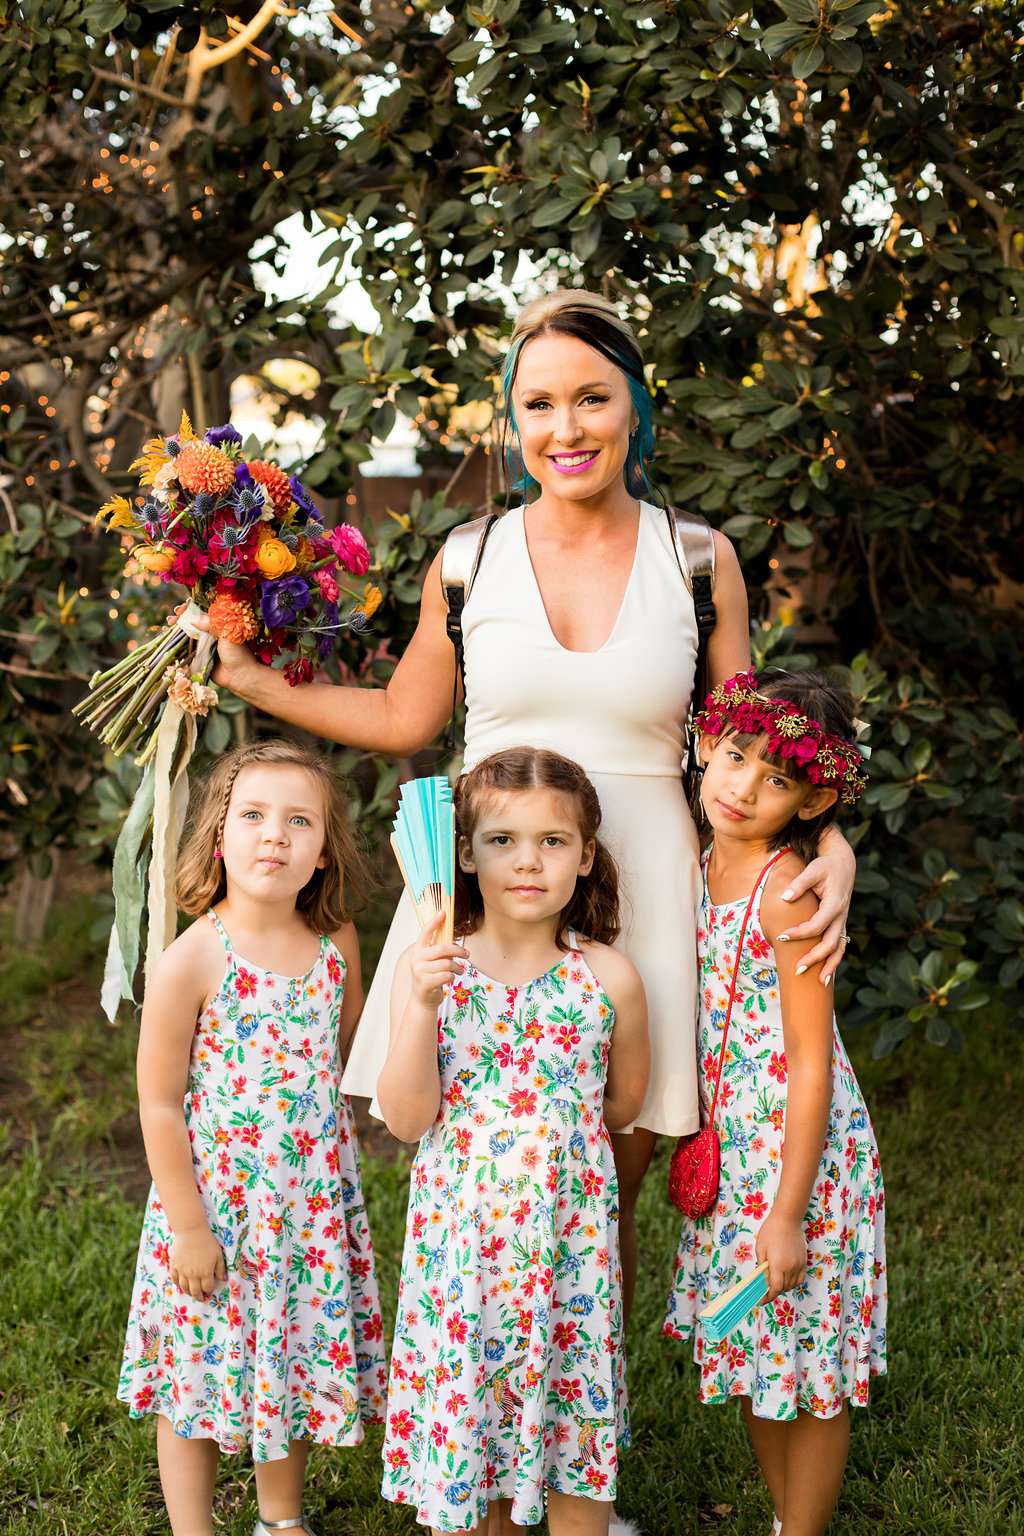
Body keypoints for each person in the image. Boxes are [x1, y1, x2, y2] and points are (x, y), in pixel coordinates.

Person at [198, 288, 856, 1332]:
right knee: (473, 1167)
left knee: (605, 1182)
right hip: (488, 888)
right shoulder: (469, 559)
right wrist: (256, 682)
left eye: (592, 398)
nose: (566, 428)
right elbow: (407, 715)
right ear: (511, 416)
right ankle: (472, 1399)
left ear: (635, 404)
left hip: (642, 889)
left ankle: (587, 1417)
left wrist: (830, 840)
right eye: (538, 403)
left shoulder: (698, 559)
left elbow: (758, 745)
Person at [376, 747, 649, 1535]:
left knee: (572, 1414)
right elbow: (404, 1119)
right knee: (470, 1407)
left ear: (585, 855)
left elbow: (623, 1103)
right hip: (462, 1254)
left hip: (567, 1251)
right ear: (465, 853)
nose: (528, 861)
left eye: (552, 842)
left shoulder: (609, 978)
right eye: (502, 841)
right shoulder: (432, 968)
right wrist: (421, 1005)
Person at [117, 740, 387, 1536]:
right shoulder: (194, 958)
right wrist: (189, 1228)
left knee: (291, 1362)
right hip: (218, 1208)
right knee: (194, 1378)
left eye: (299, 821)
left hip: (306, 1211)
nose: (275, 834)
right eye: (254, 816)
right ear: (218, 836)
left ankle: (281, 1519)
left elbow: (345, 1056)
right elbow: (159, 1103)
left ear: (324, 852)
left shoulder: (336, 944)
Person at [662, 671, 887, 1536]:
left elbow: (810, 1064)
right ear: (707, 745)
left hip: (801, 1157)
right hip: (736, 1148)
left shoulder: (787, 891)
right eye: (734, 756)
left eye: (776, 778)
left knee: (812, 1362)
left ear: (814, 799)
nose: (743, 787)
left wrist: (788, 1213)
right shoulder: (699, 860)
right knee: (757, 1350)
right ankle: (787, 1518)